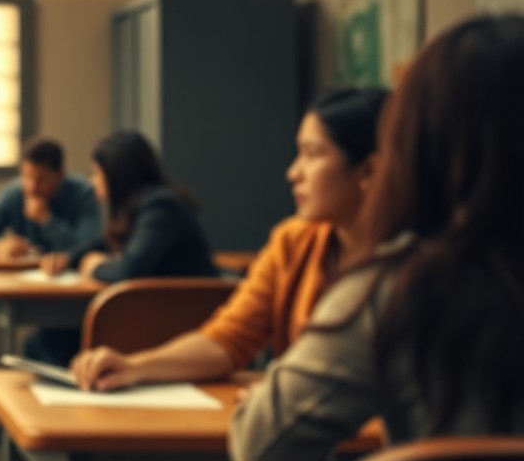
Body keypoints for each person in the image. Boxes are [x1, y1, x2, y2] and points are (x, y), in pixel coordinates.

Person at [230, 16, 524, 461]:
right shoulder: (301, 244)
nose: (293, 173)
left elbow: (263, 453)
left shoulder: (396, 288)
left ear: (411, 143)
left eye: (311, 153)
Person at [71, 87, 388, 396]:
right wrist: (133, 367)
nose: (293, 173)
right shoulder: (293, 241)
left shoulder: (419, 261)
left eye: (312, 154)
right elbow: (227, 340)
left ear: (369, 170)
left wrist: (285, 397)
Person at [0, 137, 101, 429]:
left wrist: (47, 221)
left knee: (40, 342)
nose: (32, 187)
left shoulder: (83, 195)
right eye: (26, 176)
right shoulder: (15, 192)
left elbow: (89, 243)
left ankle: (18, 419)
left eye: (41, 179)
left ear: (60, 174)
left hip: (69, 294)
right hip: (21, 287)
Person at [25, 130, 218, 366]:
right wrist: (68, 258)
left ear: (117, 176)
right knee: (44, 340)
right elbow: (101, 242)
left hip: (178, 322)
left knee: (45, 344)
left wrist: (97, 267)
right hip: (153, 314)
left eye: (97, 173)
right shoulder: (137, 208)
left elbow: (129, 270)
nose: (92, 181)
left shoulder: (161, 207)